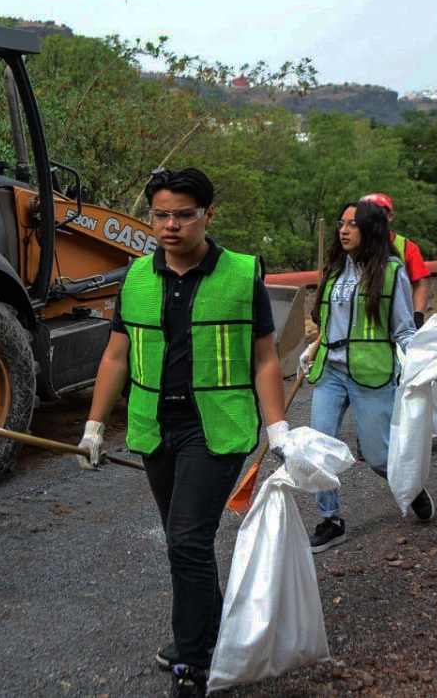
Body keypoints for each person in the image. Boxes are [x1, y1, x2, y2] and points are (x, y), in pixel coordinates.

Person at [77, 168, 287, 697]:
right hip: (154, 427)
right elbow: (117, 354)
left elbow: (264, 357)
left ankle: (192, 663)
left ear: (207, 215)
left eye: (184, 215)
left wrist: (278, 427)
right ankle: (214, 630)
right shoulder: (136, 278)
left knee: (189, 539)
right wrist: (95, 425)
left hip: (217, 427)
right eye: (161, 215)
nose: (171, 226)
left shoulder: (241, 275)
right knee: (181, 539)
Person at [298, 196, 429, 554]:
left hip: (371, 372)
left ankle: (410, 486)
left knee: (377, 457)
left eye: (352, 224)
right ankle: (331, 519)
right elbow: (326, 324)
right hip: (330, 372)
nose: (343, 230)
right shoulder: (335, 270)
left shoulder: (391, 271)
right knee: (319, 448)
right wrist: (311, 350)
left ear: (370, 229)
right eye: (341, 223)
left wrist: (418, 360)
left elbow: (403, 328)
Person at [359, 192, 432, 327]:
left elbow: (420, 282)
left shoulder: (406, 247)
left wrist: (418, 315)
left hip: (397, 321)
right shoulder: (352, 245)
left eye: (377, 213)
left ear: (390, 216)